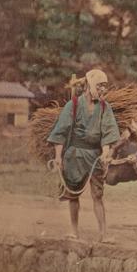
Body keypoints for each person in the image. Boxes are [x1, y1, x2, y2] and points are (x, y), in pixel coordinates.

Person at [47, 69, 120, 243]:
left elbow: (108, 131)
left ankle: (103, 234)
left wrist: (104, 152)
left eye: (105, 87)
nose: (103, 90)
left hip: (95, 155)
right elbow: (61, 132)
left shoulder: (104, 107)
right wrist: (58, 157)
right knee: (73, 194)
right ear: (89, 85)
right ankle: (74, 230)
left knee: (98, 195)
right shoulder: (72, 105)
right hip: (74, 154)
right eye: (99, 86)